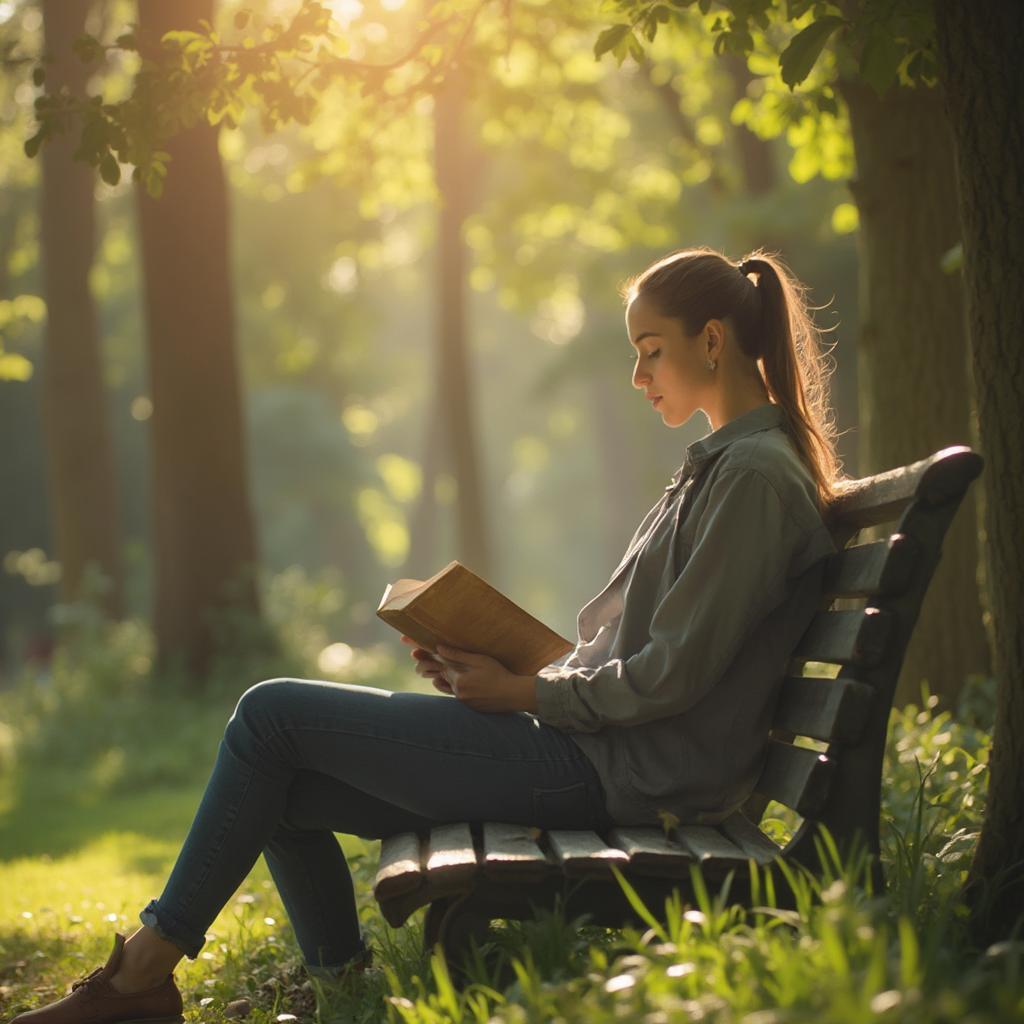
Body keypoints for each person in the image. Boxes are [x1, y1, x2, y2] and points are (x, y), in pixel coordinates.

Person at [9, 247, 843, 1024]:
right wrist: (501, 662)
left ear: (710, 339)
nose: (637, 374)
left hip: (626, 777)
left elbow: (670, 676)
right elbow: (651, 660)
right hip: (606, 755)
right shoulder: (721, 468)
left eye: (650, 349)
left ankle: (140, 976)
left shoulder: (753, 480)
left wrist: (523, 692)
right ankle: (344, 992)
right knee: (280, 786)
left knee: (269, 717)